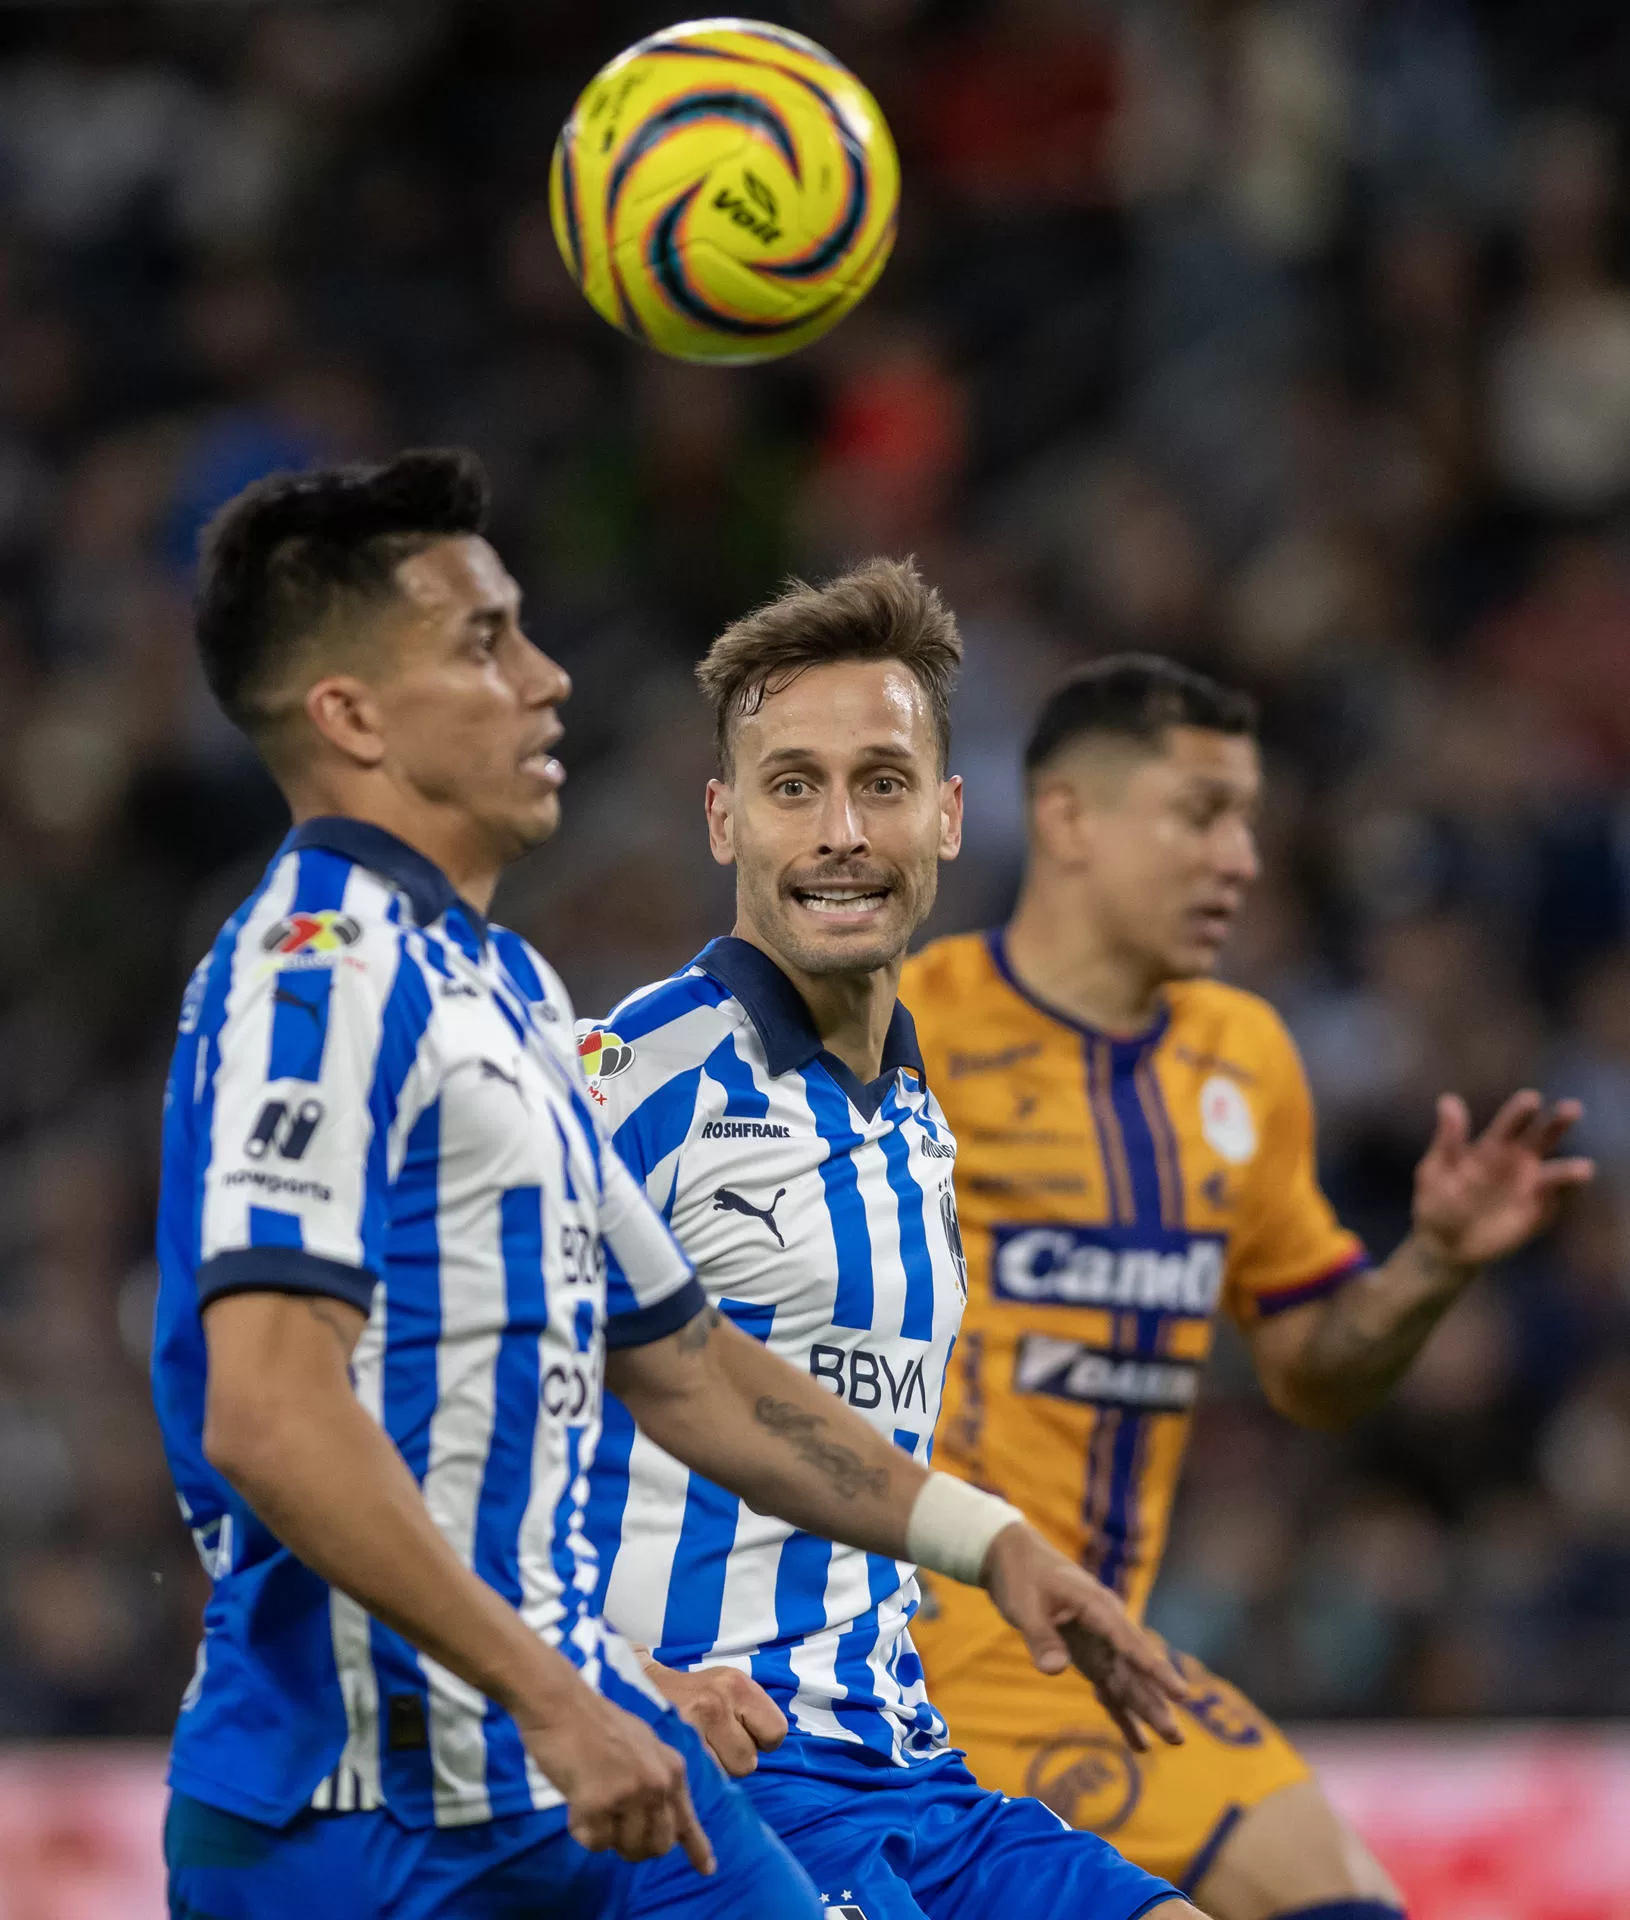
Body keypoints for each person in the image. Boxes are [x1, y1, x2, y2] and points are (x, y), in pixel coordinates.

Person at [149, 452, 1186, 1920]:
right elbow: (259, 1415)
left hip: (607, 1772)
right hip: (363, 1799)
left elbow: (689, 1363)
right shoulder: (314, 977)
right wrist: (578, 1683)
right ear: (352, 716)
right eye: (485, 641)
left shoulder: (498, 990)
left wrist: (991, 1543)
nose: (550, 677)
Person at [899, 655, 1596, 1920]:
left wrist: (1432, 1264)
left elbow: (1314, 1375)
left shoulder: (1243, 1057)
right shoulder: (907, 1027)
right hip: (902, 1660)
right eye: (1200, 813)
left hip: (1105, 1662)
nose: (1240, 860)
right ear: (1067, 818)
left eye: (1248, 821)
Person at [580, 561, 1205, 1920]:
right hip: (712, 1788)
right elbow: (442, 1423)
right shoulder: (635, 1076)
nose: (840, 831)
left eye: (880, 781)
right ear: (721, 820)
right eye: (791, 786)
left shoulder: (917, 1120)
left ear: (947, 813)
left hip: (914, 1781)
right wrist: (615, 1686)